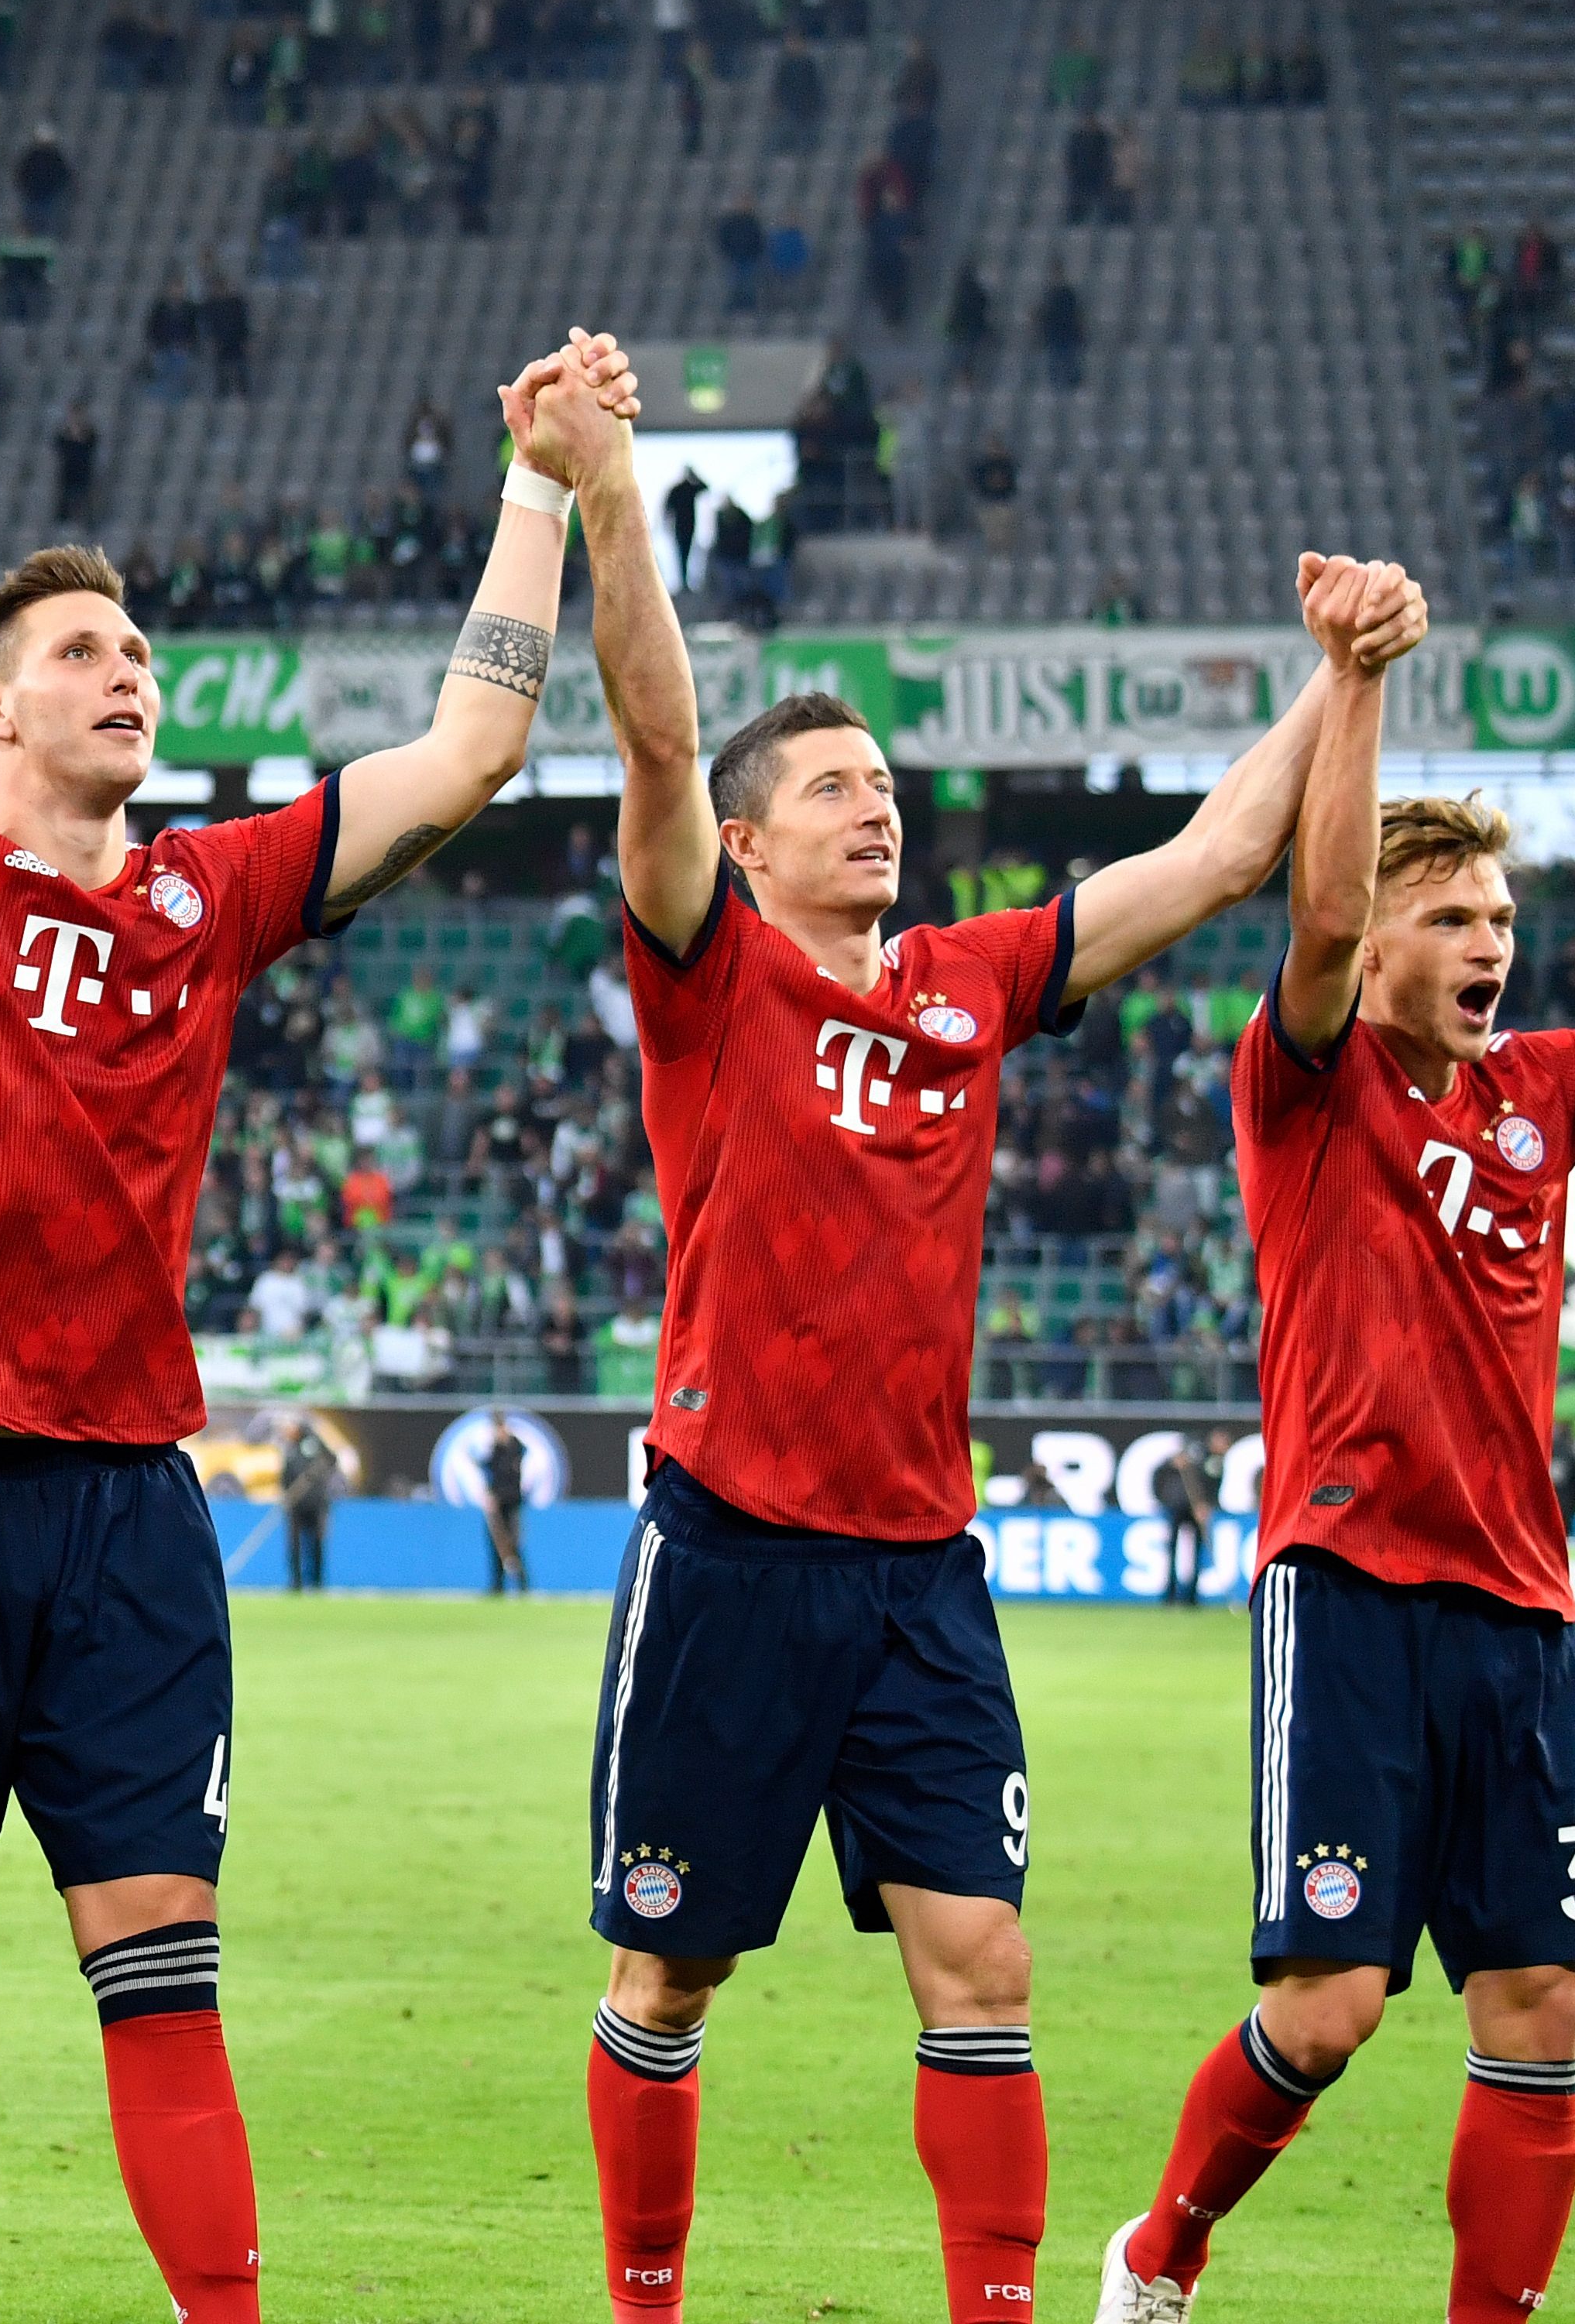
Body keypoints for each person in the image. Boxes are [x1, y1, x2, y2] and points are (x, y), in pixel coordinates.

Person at [0, 150, 630, 2314]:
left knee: (161, 1963)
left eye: (139, 647)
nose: (126, 671)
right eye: (81, 649)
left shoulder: (208, 896)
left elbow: (476, 747)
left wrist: (540, 485)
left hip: (128, 1507)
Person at [568, 362, 1426, 2324]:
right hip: (726, 1552)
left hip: (917, 1578)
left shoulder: (969, 987)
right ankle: (640, 2304)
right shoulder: (711, 982)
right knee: (666, 1978)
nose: (873, 807)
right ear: (749, 845)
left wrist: (1337, 667)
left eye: (884, 785)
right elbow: (647, 730)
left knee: (984, 1970)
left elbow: (1214, 862)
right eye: (832, 791)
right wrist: (612, 493)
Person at [1094, 581, 1575, 2324]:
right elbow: (1315, 904)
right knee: (1329, 2008)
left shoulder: (1546, 1088)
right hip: (1348, 1593)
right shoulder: (1307, 1078)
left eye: (1500, 914)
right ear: (1383, 943)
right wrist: (1358, 681)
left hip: (1522, 1615)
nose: (1489, 943)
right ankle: (1161, 2251)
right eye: (1453, 915)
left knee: (1539, 2006)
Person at [1159, 1430, 1225, 1608]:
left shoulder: (1216, 1463)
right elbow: (1166, 1470)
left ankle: (1191, 1597)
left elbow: (1214, 1487)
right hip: (1179, 1506)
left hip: (1197, 1509)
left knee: (1196, 1552)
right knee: (1173, 1551)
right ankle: (1170, 1596)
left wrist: (1207, 1506)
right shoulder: (1195, 1453)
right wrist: (1175, 1464)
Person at [280, 1424, 340, 1594]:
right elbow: (285, 1478)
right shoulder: (291, 1452)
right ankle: (296, 1582)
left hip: (317, 1504)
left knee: (317, 1544)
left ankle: (317, 1582)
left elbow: (332, 1458)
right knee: (295, 1546)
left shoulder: (317, 1448)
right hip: (296, 1506)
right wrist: (288, 1496)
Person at [481, 1414, 534, 1596]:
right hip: (497, 1505)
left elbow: (513, 1480)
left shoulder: (515, 1449)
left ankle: (523, 1585)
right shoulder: (495, 1451)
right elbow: (491, 1476)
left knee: (514, 1544)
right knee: (496, 1546)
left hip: (512, 1504)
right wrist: (490, 1497)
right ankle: (498, 1586)